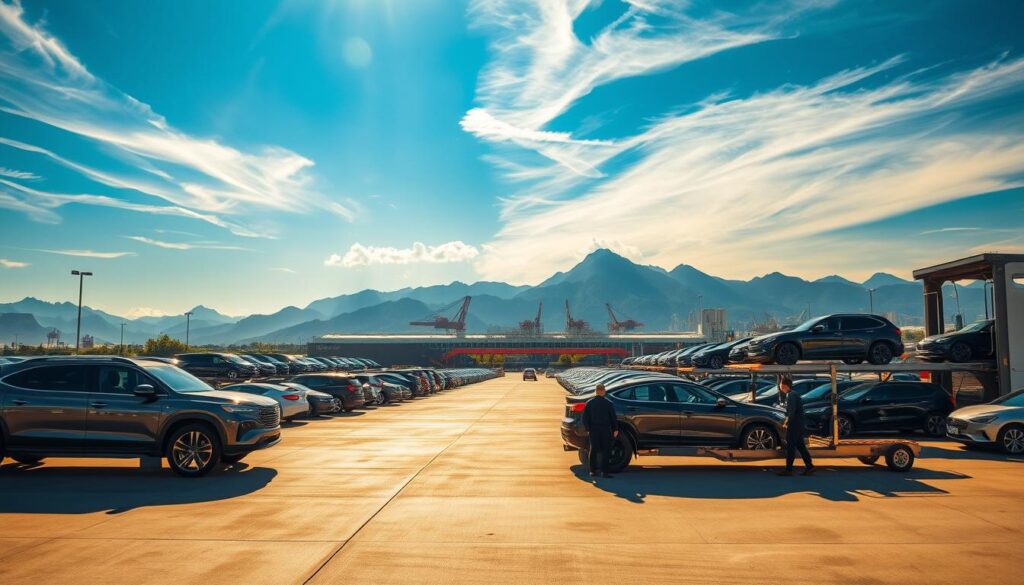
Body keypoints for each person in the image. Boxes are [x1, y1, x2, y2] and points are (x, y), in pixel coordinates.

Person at [777, 375, 815, 476]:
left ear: (784, 386)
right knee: (800, 446)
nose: (780, 387)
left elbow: (792, 411)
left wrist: (786, 422)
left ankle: (789, 469)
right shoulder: (793, 394)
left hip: (794, 425)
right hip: (798, 424)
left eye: (780, 385)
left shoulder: (791, 395)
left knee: (791, 446)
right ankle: (810, 466)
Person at [582, 383, 619, 478]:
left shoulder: (589, 403)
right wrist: (615, 429)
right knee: (606, 450)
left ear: (596, 391)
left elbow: (585, 418)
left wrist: (588, 429)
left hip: (593, 429)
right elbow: (613, 418)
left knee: (593, 450)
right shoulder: (609, 403)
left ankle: (592, 471)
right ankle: (605, 472)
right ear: (603, 391)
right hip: (605, 429)